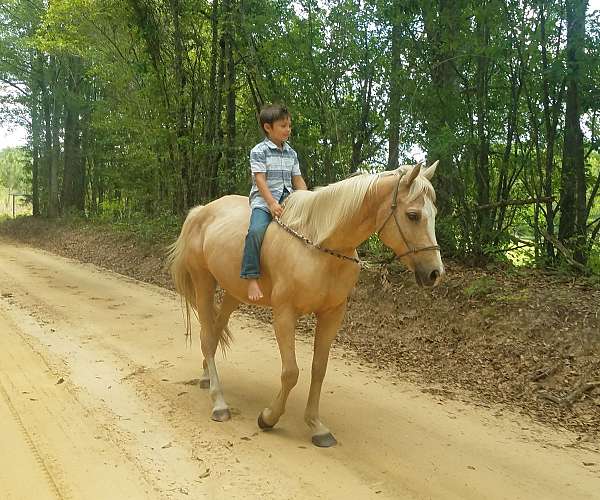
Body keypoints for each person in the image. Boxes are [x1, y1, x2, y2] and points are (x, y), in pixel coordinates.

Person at [240, 104, 308, 301]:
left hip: (289, 200)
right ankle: (251, 277)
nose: (288, 129)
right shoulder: (259, 151)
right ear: (268, 127)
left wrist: (306, 199)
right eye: (283, 126)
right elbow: (260, 179)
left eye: (289, 125)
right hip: (264, 199)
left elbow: (297, 179)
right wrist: (270, 203)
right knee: (255, 232)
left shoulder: (291, 153)